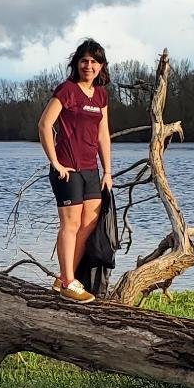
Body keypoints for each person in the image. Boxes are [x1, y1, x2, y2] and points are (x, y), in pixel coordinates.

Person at [37, 39, 112, 301]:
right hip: (67, 170)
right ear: (77, 64)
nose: (88, 65)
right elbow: (45, 125)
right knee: (69, 225)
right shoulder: (67, 90)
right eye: (84, 61)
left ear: (101, 66)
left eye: (93, 61)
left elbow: (104, 134)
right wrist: (55, 162)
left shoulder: (101, 95)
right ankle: (70, 281)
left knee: (87, 225)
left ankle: (63, 277)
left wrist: (108, 171)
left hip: (92, 170)